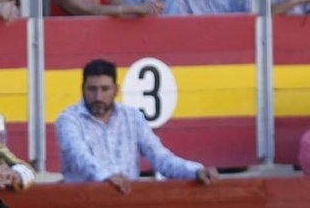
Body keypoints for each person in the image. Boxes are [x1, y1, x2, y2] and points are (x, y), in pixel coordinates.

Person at [54, 58, 217, 191]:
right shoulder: (68, 120)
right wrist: (107, 177)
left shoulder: (132, 117)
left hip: (127, 201)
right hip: (83, 203)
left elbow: (160, 158)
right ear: (82, 89)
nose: (98, 96)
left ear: (116, 90)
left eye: (105, 89)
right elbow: (81, 158)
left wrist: (195, 171)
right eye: (92, 89)